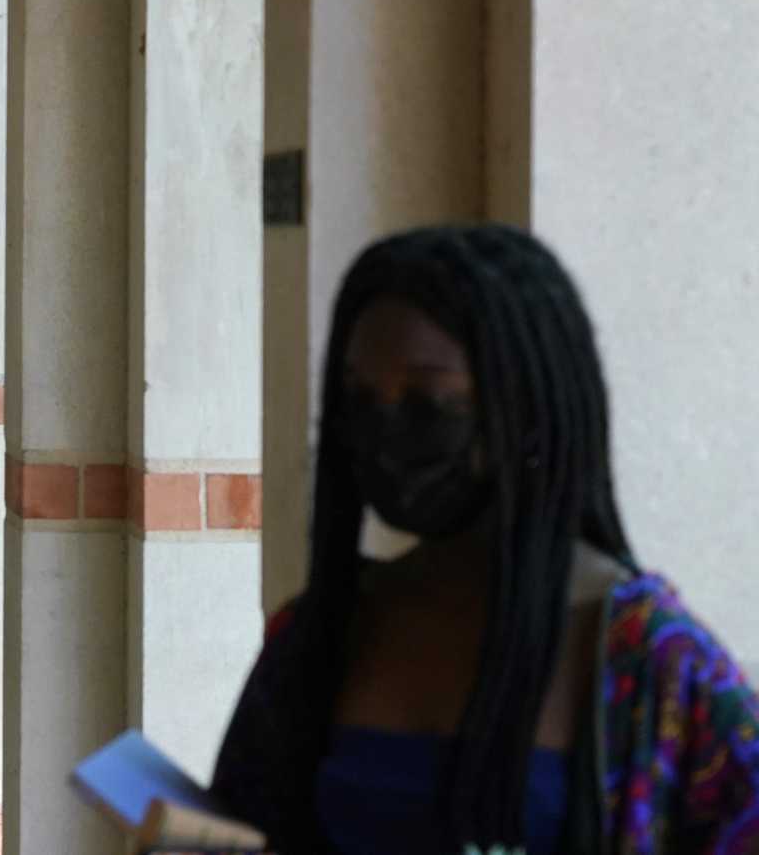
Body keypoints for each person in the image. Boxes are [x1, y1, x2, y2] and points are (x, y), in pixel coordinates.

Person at [210, 223, 759, 854]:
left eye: (428, 400)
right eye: (360, 400)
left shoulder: (655, 663)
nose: (387, 431)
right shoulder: (322, 634)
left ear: (527, 409)